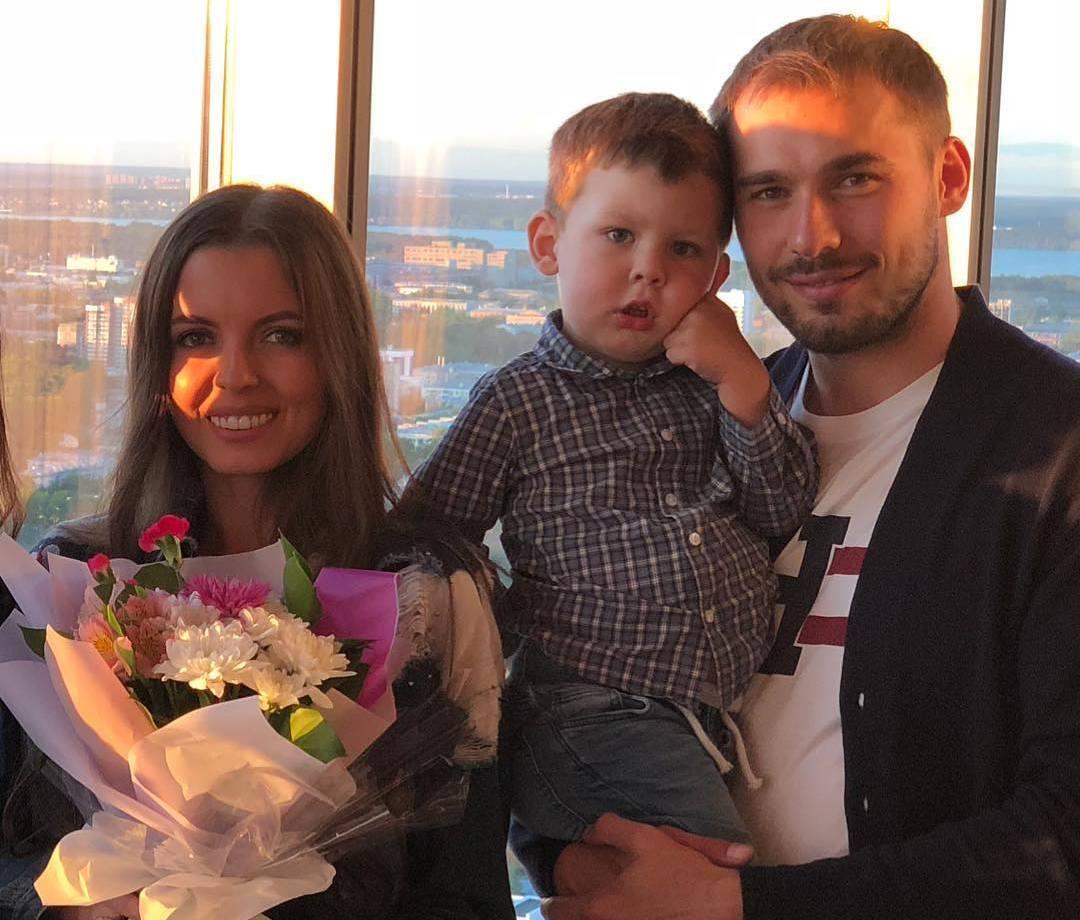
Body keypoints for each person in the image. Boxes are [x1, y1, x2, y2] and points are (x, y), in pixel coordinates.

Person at [543, 14, 1080, 920]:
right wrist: (569, 855)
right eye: (767, 191)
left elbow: (1063, 840)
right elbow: (582, 668)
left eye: (855, 178)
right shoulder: (697, 419)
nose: (812, 235)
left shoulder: (1058, 453)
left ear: (949, 177)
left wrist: (738, 905)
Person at [0, 184, 515, 920]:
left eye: (281, 335)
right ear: (156, 364)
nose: (235, 374)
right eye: (195, 337)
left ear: (338, 355)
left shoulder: (425, 596)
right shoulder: (77, 582)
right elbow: (12, 852)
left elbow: (467, 895)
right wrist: (71, 906)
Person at [409, 93, 817, 894]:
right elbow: (426, 538)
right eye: (619, 235)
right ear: (548, 244)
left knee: (680, 885)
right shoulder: (517, 402)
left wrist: (743, 384)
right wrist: (501, 612)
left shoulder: (709, 384)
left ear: (716, 278)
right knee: (703, 881)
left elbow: (781, 509)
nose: (648, 270)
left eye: (683, 249)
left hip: (694, 719)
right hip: (587, 710)